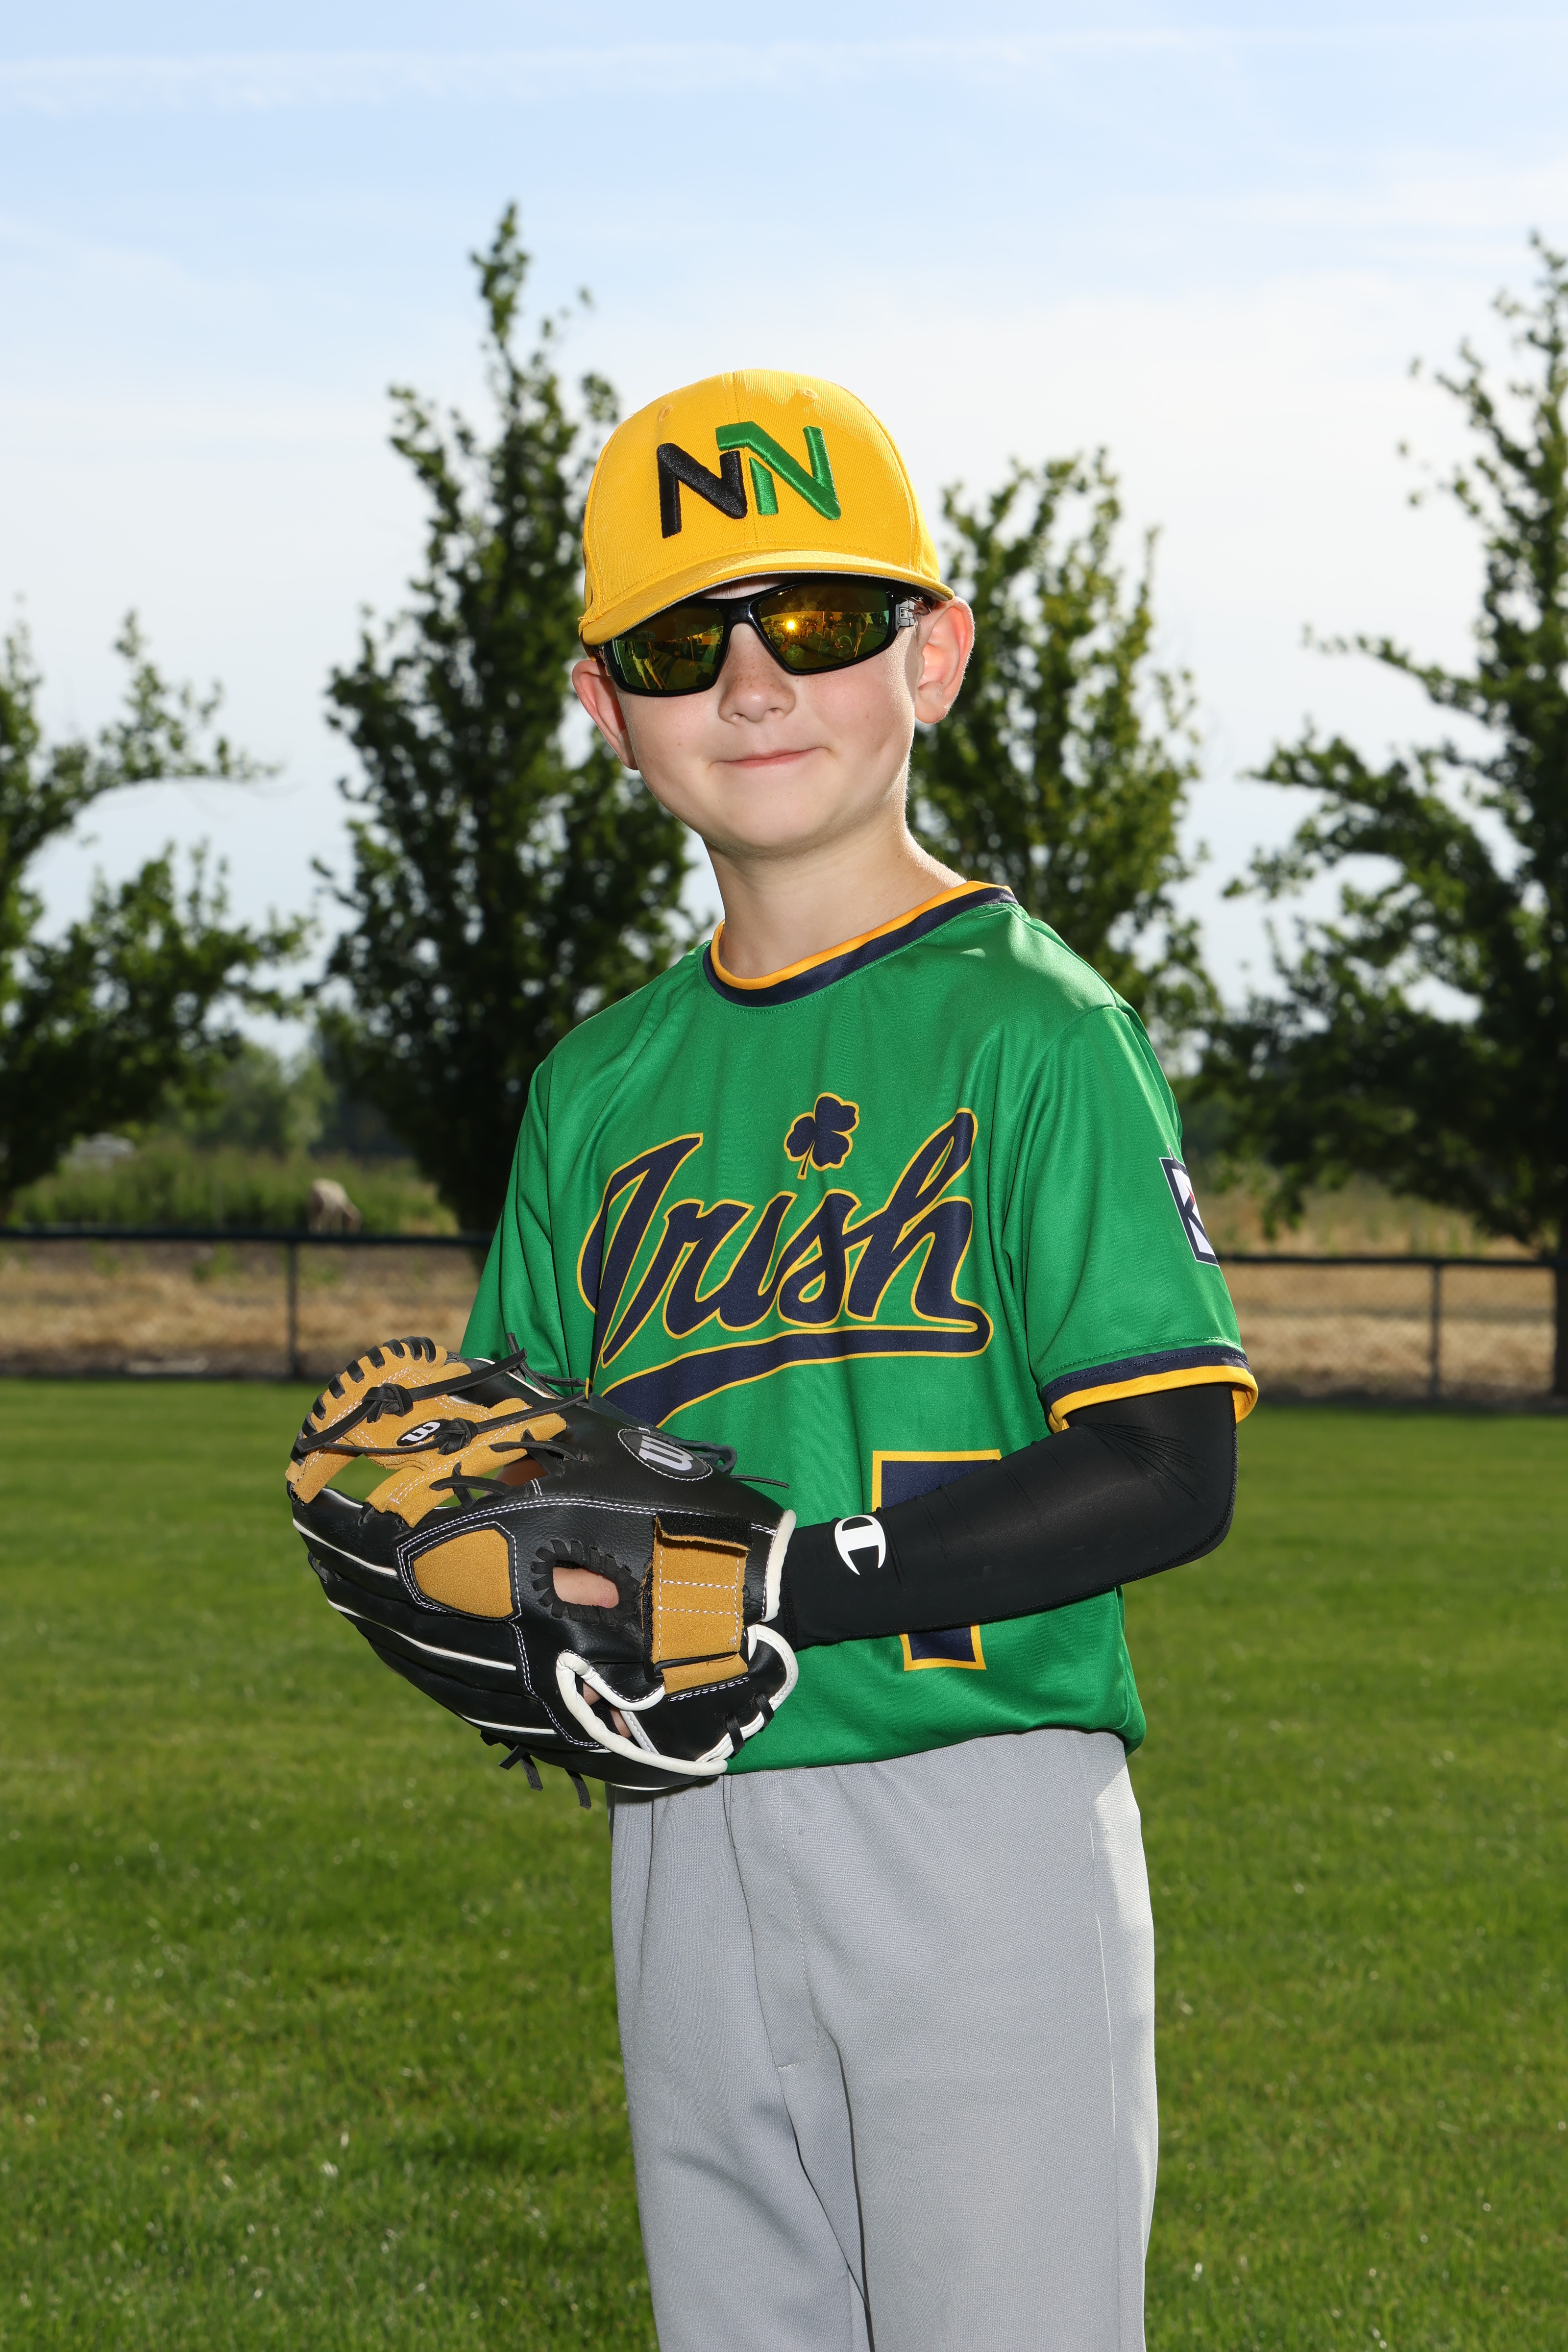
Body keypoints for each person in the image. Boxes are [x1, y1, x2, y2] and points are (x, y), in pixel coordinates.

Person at [462, 368, 1256, 2352]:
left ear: (934, 655)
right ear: (605, 711)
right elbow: (518, 1475)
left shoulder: (1036, 1031)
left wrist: (781, 1581)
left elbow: (1171, 1468)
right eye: (682, 645)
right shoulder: (594, 1088)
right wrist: (494, 1615)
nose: (752, 685)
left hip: (974, 1807)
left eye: (814, 621)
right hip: (683, 1823)